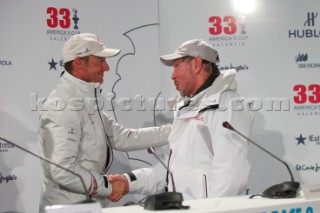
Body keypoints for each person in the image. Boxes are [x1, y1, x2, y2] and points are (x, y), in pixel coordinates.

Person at [38, 33, 171, 211]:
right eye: (100, 60)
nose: (107, 67)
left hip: (87, 205)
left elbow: (122, 137)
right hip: (68, 208)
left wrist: (176, 130)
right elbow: (61, 170)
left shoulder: (85, 100)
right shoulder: (62, 105)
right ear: (78, 63)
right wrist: (107, 186)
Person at [109, 39, 254, 201]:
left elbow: (230, 172)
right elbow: (171, 170)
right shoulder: (186, 108)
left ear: (197, 64)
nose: (172, 75)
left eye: (177, 66)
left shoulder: (228, 104)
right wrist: (129, 182)